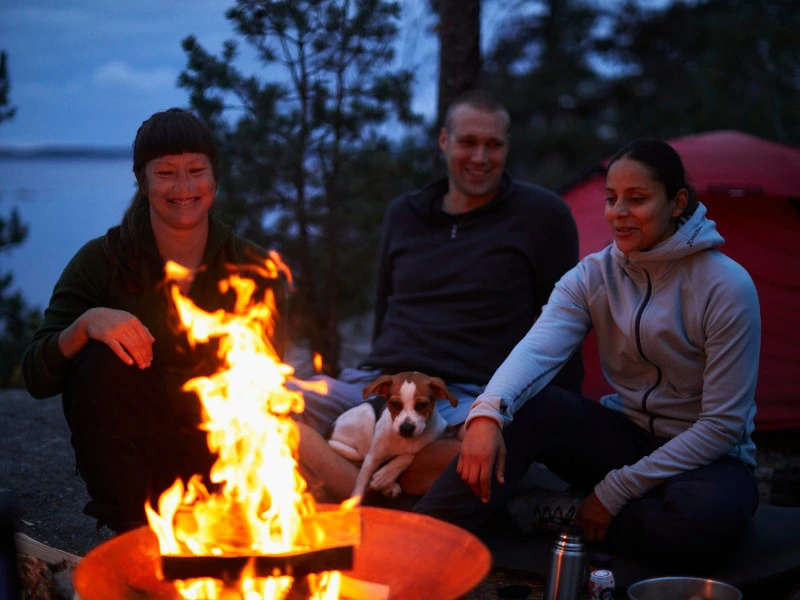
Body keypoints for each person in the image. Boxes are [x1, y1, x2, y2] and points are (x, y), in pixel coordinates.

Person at [414, 139, 761, 568]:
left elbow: (722, 426)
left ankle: (570, 512)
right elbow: (537, 350)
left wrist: (612, 492)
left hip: (707, 458)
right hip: (626, 437)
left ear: (677, 203)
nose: (618, 212)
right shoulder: (595, 275)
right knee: (529, 408)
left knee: (701, 524)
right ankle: (416, 536)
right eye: (611, 199)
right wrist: (486, 415)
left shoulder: (726, 286)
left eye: (636, 199)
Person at [293, 89, 583, 501]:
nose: (480, 157)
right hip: (384, 382)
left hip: (470, 394)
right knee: (258, 407)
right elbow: (384, 310)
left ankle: (349, 475)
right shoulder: (405, 215)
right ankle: (378, 481)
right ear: (444, 141)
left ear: (507, 147)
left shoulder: (541, 216)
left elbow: (563, 325)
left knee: (484, 455)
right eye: (468, 142)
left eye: (493, 145)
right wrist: (377, 382)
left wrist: (565, 415)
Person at [21, 108, 281, 531]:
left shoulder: (251, 267)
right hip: (131, 479)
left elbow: (266, 388)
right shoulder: (101, 262)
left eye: (196, 170)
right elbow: (36, 376)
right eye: (166, 173)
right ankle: (136, 533)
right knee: (102, 357)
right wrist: (87, 324)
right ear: (143, 181)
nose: (183, 187)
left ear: (215, 177)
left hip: (222, 470)